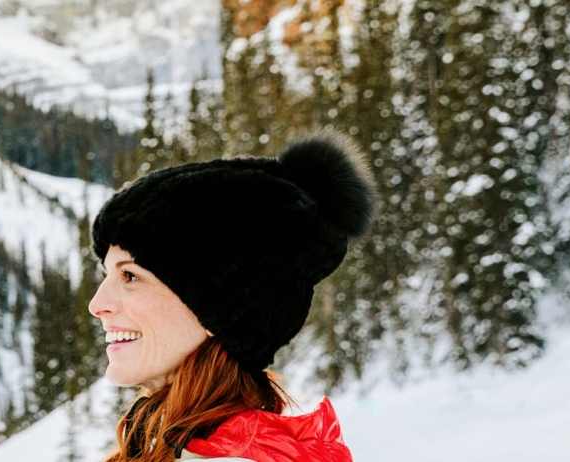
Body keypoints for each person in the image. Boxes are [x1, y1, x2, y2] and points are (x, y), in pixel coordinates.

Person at [87, 133, 370, 461]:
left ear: (220, 310)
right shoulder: (180, 444)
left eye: (131, 275)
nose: (97, 305)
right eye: (106, 274)